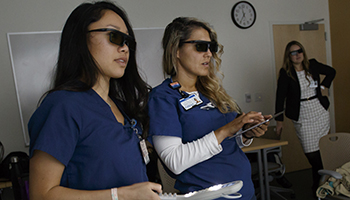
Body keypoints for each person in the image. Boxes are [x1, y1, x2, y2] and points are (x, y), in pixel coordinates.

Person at [28, 1, 162, 200]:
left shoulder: (121, 108)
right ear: (81, 39)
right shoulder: (63, 106)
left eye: (128, 41)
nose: (124, 48)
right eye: (115, 36)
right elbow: (42, 194)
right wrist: (119, 195)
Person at [148, 17, 271, 200]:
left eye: (211, 47)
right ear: (176, 50)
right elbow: (175, 162)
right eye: (200, 46)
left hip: (244, 192)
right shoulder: (163, 97)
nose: (209, 54)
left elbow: (227, 142)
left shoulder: (212, 91)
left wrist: (246, 133)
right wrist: (225, 130)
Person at [275, 40, 336, 194]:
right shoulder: (286, 73)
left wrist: (324, 86)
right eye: (293, 53)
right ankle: (323, 182)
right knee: (312, 154)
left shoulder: (313, 65)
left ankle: (318, 187)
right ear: (289, 56)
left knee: (322, 151)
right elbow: (280, 97)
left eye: (299, 51)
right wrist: (279, 120)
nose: (297, 55)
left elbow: (331, 72)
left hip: (319, 111)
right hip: (302, 115)